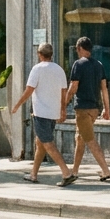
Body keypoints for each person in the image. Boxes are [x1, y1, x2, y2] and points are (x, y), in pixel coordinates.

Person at [10, 42, 75, 186]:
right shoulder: (59, 70)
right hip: (53, 113)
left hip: (41, 113)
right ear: (51, 54)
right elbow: (64, 92)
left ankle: (66, 172)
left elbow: (29, 90)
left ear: (39, 55)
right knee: (40, 144)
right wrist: (63, 110)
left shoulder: (37, 69)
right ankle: (33, 174)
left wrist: (17, 105)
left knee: (48, 144)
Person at [64, 38, 110, 181]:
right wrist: (106, 109)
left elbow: (73, 87)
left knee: (90, 140)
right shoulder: (99, 65)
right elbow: (104, 89)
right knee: (80, 138)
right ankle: (74, 171)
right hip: (94, 109)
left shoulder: (78, 64)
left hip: (83, 109)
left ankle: (106, 170)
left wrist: (63, 105)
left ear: (79, 48)